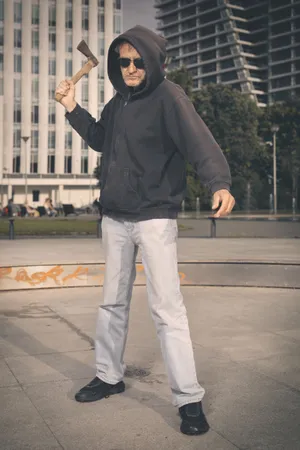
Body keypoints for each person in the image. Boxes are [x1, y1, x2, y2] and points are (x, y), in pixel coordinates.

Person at [56, 25, 235, 436]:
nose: (131, 67)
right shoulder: (117, 103)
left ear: (153, 61)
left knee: (167, 310)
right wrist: (71, 106)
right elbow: (101, 140)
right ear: (116, 66)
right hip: (115, 217)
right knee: (111, 303)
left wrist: (218, 182)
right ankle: (108, 375)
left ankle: (189, 399)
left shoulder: (170, 97)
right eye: (123, 61)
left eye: (138, 60)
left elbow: (199, 142)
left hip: (155, 217)